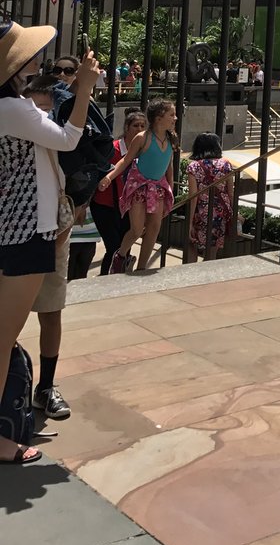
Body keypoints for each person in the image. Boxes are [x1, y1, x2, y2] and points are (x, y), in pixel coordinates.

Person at [0, 24, 99, 463]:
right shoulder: (11, 109)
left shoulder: (13, 106)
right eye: (31, 57)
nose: (38, 62)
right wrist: (85, 90)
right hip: (24, 230)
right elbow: (69, 138)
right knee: (2, 340)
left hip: (17, 226)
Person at [98, 99, 177, 272]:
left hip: (158, 188)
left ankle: (142, 268)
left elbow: (169, 167)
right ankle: (120, 255)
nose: (175, 118)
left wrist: (170, 188)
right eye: (171, 115)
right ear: (158, 118)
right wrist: (109, 177)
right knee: (136, 229)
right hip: (140, 187)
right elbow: (125, 160)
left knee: (154, 228)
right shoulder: (143, 138)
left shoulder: (171, 138)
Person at [92, 110, 145, 275]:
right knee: (114, 247)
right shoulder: (112, 149)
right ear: (127, 127)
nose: (139, 129)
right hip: (105, 205)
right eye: (136, 125)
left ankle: (118, 278)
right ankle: (105, 279)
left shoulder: (144, 151)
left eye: (143, 126)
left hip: (129, 208)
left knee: (125, 246)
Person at [186, 133, 234, 261]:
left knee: (192, 243)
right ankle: (207, 277)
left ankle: (189, 276)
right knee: (212, 251)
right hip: (220, 213)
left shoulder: (194, 166)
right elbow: (230, 193)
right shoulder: (226, 165)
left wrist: (189, 222)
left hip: (200, 212)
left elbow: (193, 196)